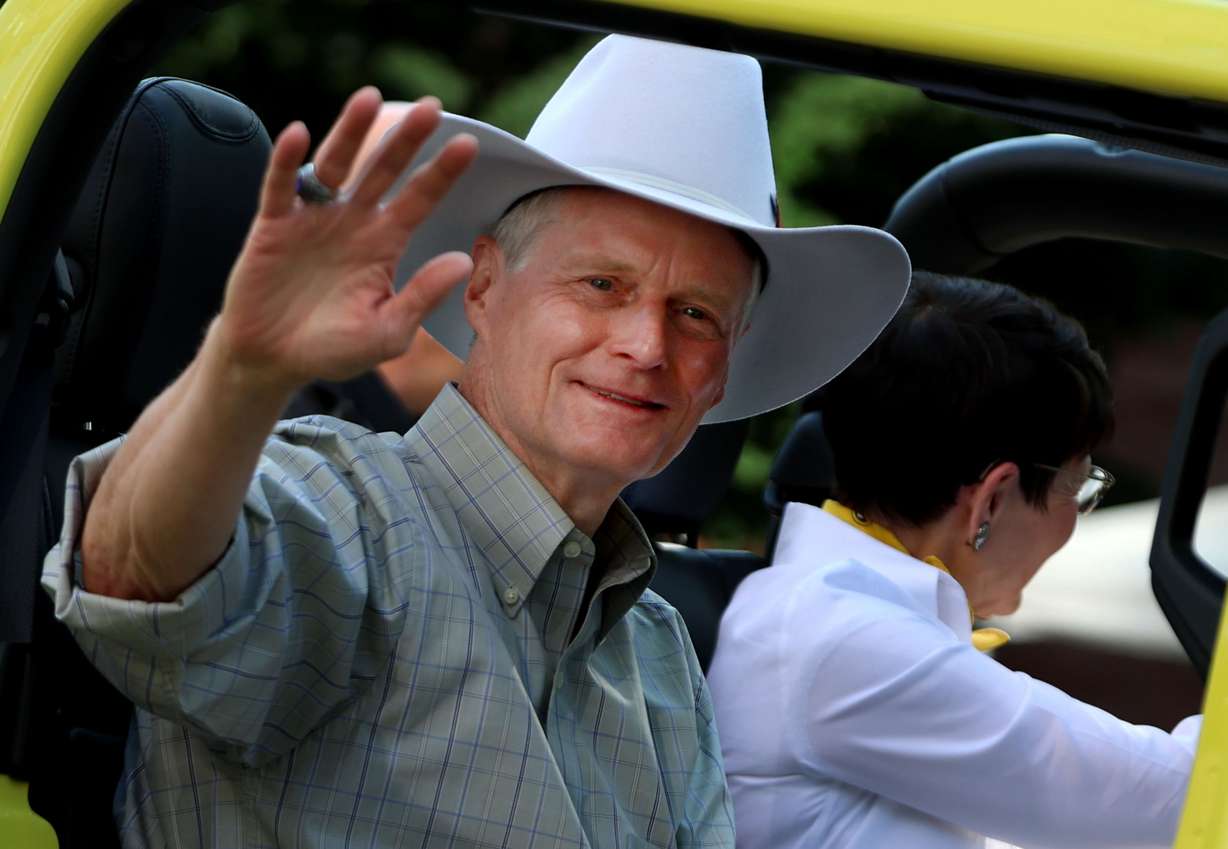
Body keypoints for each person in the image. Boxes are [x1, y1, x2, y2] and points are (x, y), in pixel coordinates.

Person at [41, 35, 910, 848]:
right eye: (601, 284)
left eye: (695, 314)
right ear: (485, 287)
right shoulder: (346, 514)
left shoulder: (659, 651)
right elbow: (132, 578)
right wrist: (242, 367)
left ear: (722, 371)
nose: (648, 345)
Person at [708, 271, 1201, 849]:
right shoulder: (849, 638)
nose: (1076, 519)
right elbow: (1177, 801)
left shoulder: (826, 615)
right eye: (1078, 488)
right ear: (992, 499)